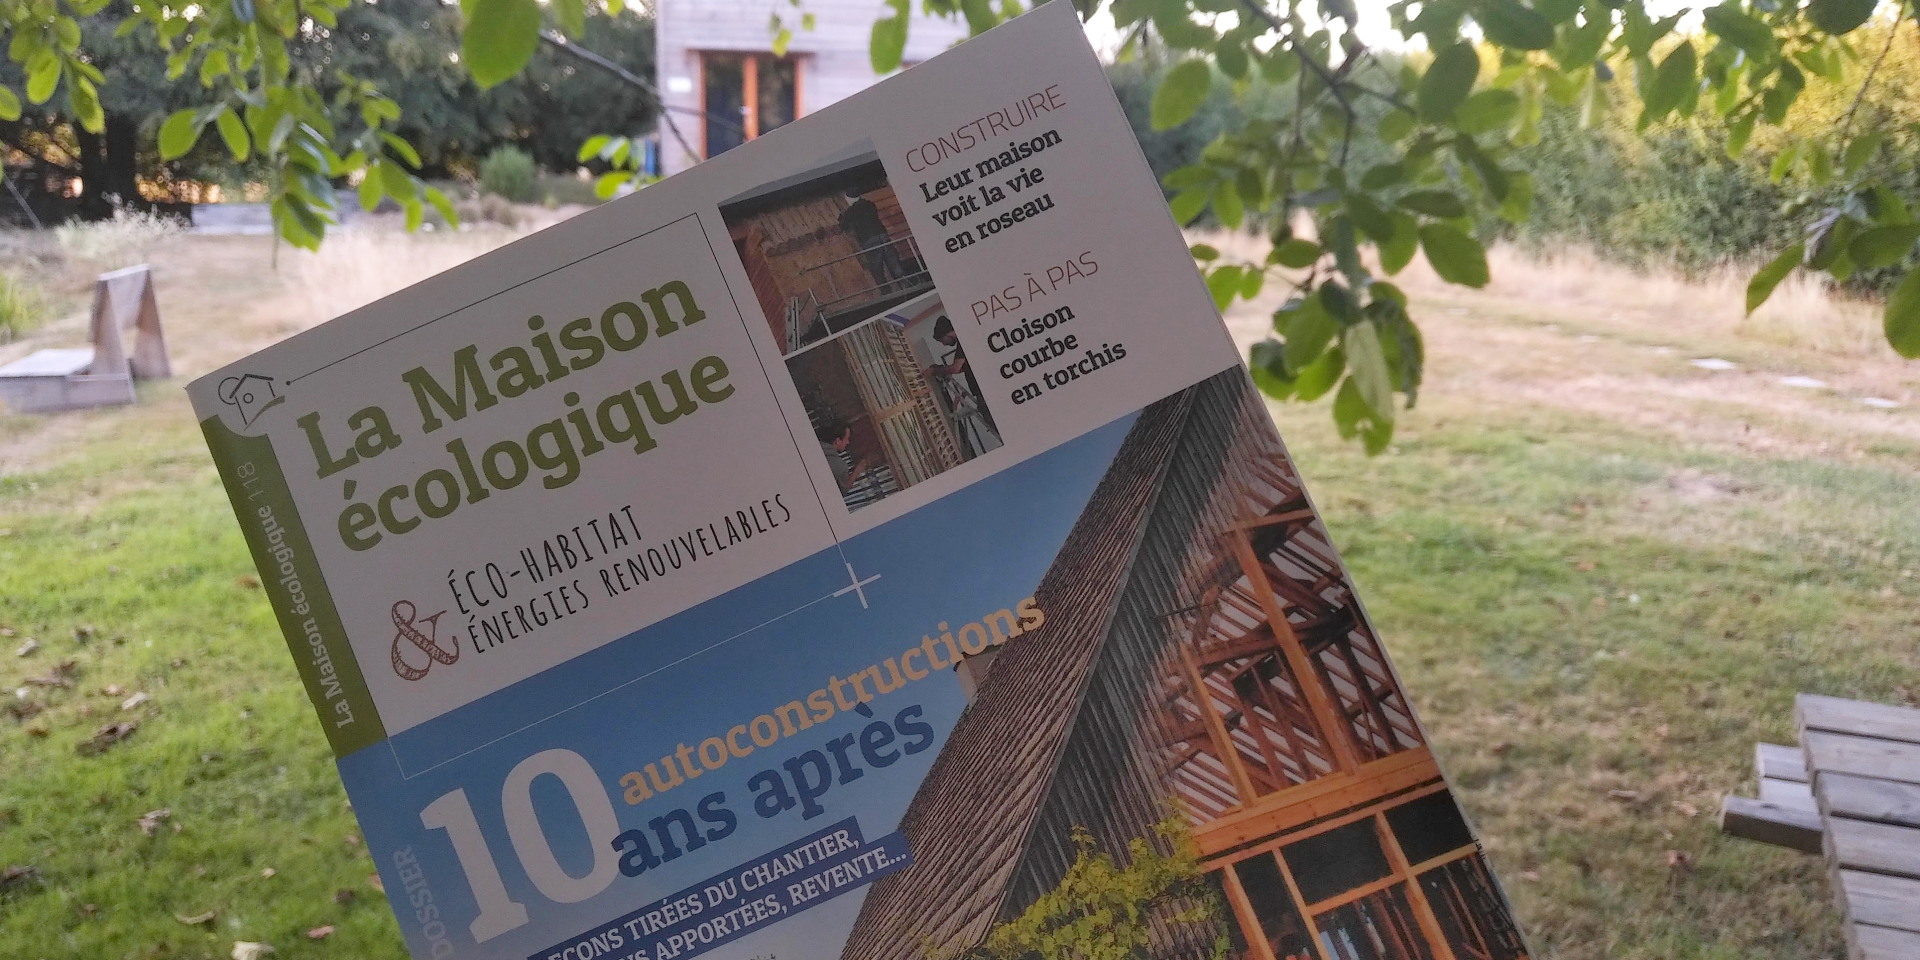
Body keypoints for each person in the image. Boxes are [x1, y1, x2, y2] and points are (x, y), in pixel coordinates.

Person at [926, 315, 1001, 455]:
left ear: (948, 333)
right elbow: (961, 368)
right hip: (986, 392)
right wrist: (941, 369)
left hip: (985, 393)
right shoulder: (966, 340)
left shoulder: (963, 341)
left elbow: (955, 368)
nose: (943, 344)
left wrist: (935, 371)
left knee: (995, 424)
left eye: (943, 340)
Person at [839, 187, 908, 290]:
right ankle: (905, 285)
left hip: (869, 240)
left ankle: (886, 291)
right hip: (882, 235)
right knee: (893, 262)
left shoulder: (850, 212)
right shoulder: (870, 205)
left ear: (849, 200)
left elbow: (843, 226)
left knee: (877, 269)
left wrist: (841, 218)